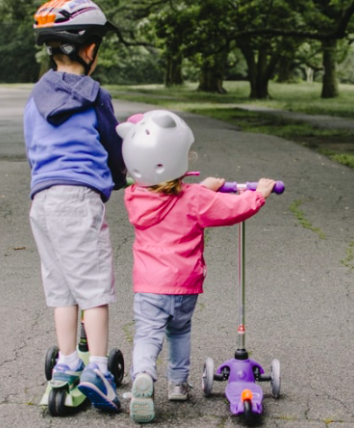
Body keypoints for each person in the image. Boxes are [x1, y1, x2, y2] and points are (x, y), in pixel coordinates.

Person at [118, 110, 276, 423]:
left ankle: (145, 376)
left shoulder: (134, 197)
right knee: (179, 331)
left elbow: (168, 195)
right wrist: (258, 195)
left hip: (149, 285)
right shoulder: (194, 199)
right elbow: (231, 209)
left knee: (148, 335)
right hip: (184, 284)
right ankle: (177, 385)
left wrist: (203, 187)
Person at [24, 0, 125, 412]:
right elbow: (114, 143)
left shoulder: (35, 98)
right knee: (94, 288)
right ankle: (98, 368)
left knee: (61, 288)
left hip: (42, 200)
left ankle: (66, 363)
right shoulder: (94, 95)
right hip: (78, 200)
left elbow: (33, 148)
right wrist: (120, 177)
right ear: (89, 50)